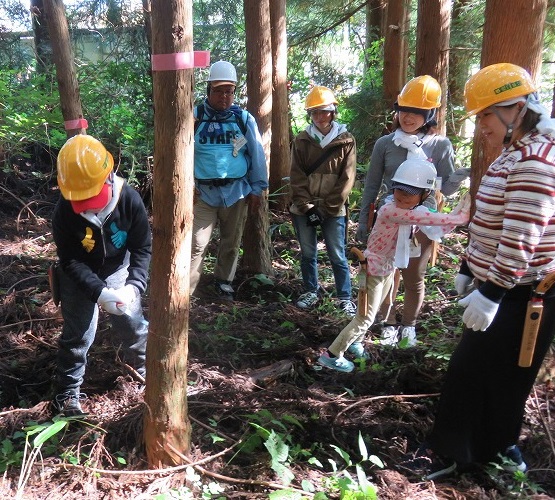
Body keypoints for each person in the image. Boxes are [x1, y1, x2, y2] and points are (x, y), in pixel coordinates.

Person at [402, 63, 555, 480]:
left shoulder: (535, 163)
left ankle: (454, 450)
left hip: (522, 294)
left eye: (487, 114)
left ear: (517, 110)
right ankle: (495, 445)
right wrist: (470, 266)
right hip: (506, 287)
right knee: (494, 373)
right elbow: (490, 219)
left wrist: (492, 291)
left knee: (477, 372)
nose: (481, 125)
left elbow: (522, 238)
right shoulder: (515, 153)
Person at [318, 159, 470, 371]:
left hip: (387, 268)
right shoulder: (391, 210)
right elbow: (430, 219)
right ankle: (332, 355)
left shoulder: (410, 212)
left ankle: (355, 342)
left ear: (424, 195)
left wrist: (457, 215)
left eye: (410, 193)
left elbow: (434, 224)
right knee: (365, 317)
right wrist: (461, 216)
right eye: (399, 190)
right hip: (373, 268)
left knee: (372, 310)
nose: (402, 196)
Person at [356, 75, 470, 346]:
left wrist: (461, 175)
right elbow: (371, 186)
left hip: (423, 222)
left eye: (417, 112)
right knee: (385, 273)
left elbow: (447, 188)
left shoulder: (439, 145)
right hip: (389, 218)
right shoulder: (385, 144)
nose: (409, 117)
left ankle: (409, 324)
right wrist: (363, 222)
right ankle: (388, 322)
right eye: (405, 110)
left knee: (413, 276)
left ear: (428, 114)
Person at [51, 134, 151, 416]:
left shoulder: (128, 199)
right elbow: (69, 260)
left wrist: (133, 287)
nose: (88, 204)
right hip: (78, 275)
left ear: (109, 176)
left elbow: (142, 247)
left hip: (119, 268)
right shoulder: (64, 211)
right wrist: (99, 293)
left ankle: (143, 373)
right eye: (80, 199)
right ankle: (68, 394)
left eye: (92, 197)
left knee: (132, 322)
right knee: (78, 333)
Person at [190, 60, 268, 301]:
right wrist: (187, 185)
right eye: (218, 90)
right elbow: (182, 153)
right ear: (209, 90)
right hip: (202, 193)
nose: (224, 96)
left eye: (229, 91)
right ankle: (188, 288)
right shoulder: (195, 117)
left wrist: (258, 188)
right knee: (196, 244)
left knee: (231, 242)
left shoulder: (243, 119)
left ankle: (224, 282)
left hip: (236, 192)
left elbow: (256, 154)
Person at [289, 86, 357, 317]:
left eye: (324, 111)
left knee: (337, 254)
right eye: (315, 112)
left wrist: (327, 210)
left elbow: (347, 179)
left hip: (334, 209)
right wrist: (308, 208)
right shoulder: (302, 139)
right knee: (308, 253)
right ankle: (310, 291)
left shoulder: (346, 141)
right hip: (303, 208)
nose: (320, 117)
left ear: (333, 112)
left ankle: (344, 297)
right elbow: (296, 176)